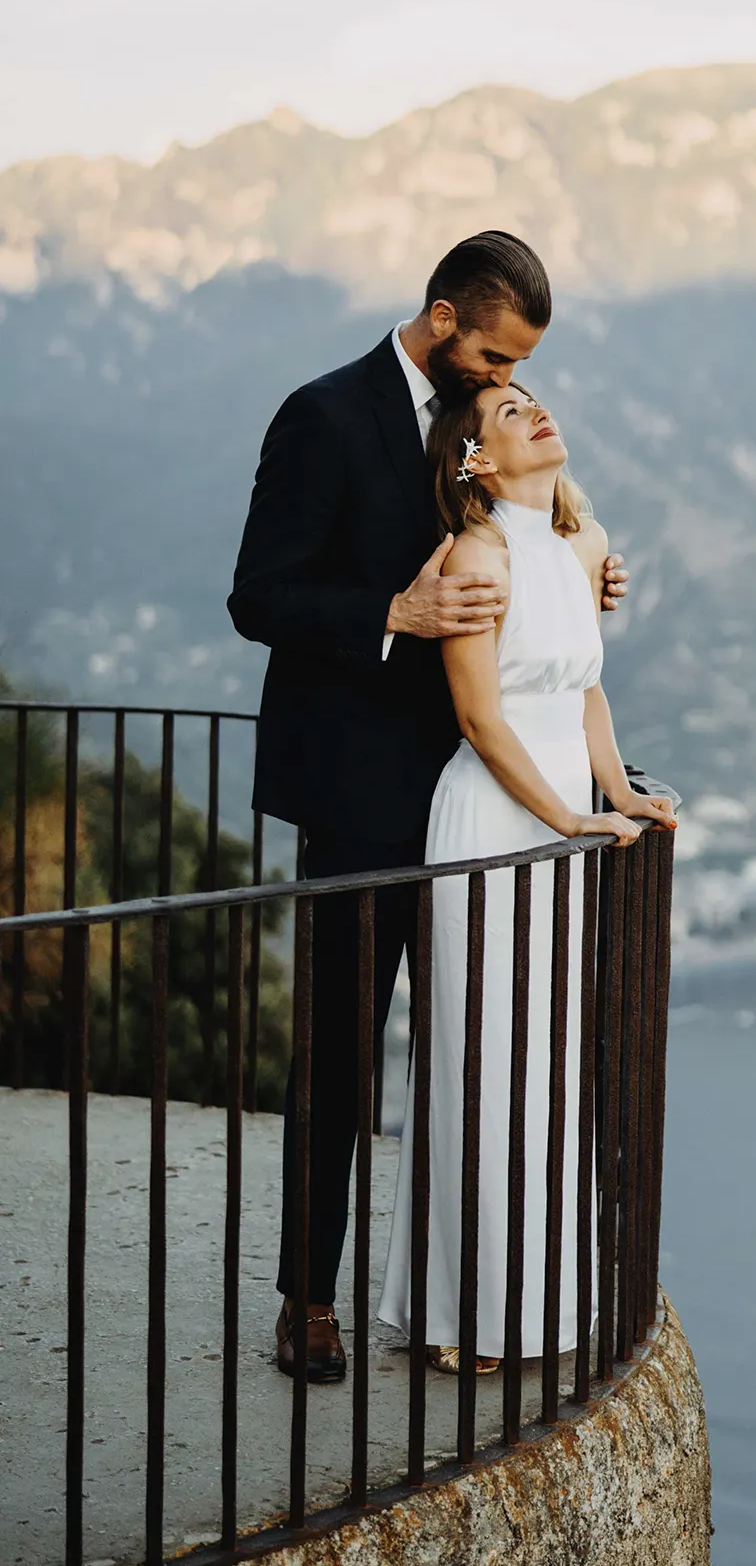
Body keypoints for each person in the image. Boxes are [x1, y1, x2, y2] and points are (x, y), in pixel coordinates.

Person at [228, 230, 628, 1382]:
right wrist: (389, 614)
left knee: (481, 1050)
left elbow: (520, 549)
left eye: (522, 365)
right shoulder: (323, 415)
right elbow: (258, 595)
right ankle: (309, 1301)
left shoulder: (482, 424)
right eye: (496, 356)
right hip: (361, 788)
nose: (507, 378)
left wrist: (577, 579)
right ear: (443, 318)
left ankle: (482, 1294)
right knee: (342, 1047)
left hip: (482, 791)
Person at [379, 381, 674, 1367]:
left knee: (549, 1057)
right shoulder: (476, 556)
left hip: (561, 814)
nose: (533, 411)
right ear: (475, 460)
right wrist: (569, 816)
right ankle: (467, 1317)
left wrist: (616, 790)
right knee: (483, 1055)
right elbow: (479, 718)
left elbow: (585, 688)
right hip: (490, 821)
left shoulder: (585, 545)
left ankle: (542, 1307)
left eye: (534, 400)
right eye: (506, 412)